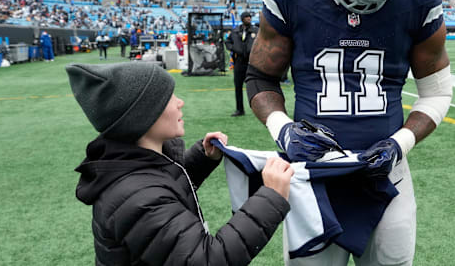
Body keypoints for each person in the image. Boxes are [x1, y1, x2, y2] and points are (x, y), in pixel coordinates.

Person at [245, 0, 452, 266]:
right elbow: (260, 77)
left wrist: (399, 144)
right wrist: (283, 129)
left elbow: (437, 93)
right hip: (312, 175)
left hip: (386, 175)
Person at [67, 62, 293, 265]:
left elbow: (162, 186)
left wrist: (203, 158)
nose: (180, 102)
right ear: (143, 116)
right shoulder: (138, 198)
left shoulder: (137, 165)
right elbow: (206, 259)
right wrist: (271, 197)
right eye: (168, 97)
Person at [225, 11, 258, 117]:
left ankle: (258, 109)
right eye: (246, 17)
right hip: (239, 61)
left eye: (250, 17)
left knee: (254, 87)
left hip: (252, 62)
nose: (249, 18)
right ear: (242, 19)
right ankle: (240, 109)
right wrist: (233, 49)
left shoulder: (256, 31)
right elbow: (228, 42)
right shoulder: (235, 31)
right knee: (238, 86)